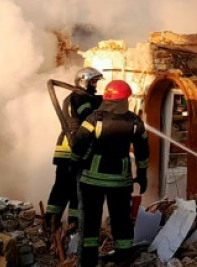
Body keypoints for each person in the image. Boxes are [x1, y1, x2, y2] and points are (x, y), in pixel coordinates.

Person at [71, 80, 149, 267]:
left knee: (91, 220)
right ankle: (124, 255)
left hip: (92, 180)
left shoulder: (94, 118)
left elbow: (79, 143)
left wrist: (75, 164)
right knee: (121, 218)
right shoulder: (134, 121)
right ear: (124, 100)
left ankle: (88, 259)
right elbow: (142, 150)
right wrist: (142, 173)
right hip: (120, 182)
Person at [45, 67, 105, 231]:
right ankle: (59, 222)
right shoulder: (80, 98)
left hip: (71, 147)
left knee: (66, 187)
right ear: (83, 81)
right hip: (72, 147)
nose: (95, 85)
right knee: (70, 187)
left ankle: (59, 222)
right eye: (93, 82)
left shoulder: (80, 97)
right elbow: (89, 118)